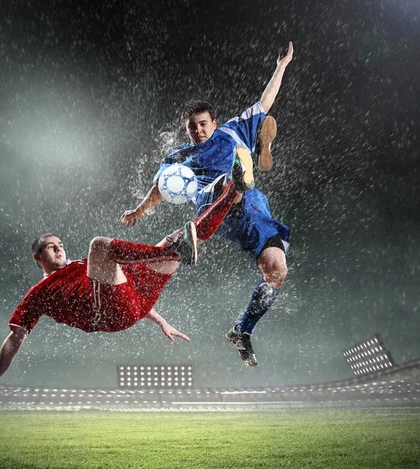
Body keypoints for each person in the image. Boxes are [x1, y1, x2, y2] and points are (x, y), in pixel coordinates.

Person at [0, 162, 251, 405]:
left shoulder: (83, 266)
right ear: (38, 258)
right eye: (50, 248)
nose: (58, 249)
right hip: (106, 311)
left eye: (60, 244)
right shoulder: (39, 292)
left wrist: (161, 321)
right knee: (100, 246)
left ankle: (231, 193)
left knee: (175, 236)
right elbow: (15, 337)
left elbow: (121, 283)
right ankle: (176, 250)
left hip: (134, 301)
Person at [120, 42, 294, 367]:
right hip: (214, 208)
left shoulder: (231, 131)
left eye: (203, 124)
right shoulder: (180, 156)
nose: (198, 130)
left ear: (214, 122)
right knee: (231, 184)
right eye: (191, 127)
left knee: (276, 270)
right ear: (185, 129)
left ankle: (242, 331)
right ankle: (238, 177)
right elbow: (161, 187)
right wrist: (141, 209)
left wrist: (281, 66)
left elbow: (264, 101)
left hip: (253, 213)